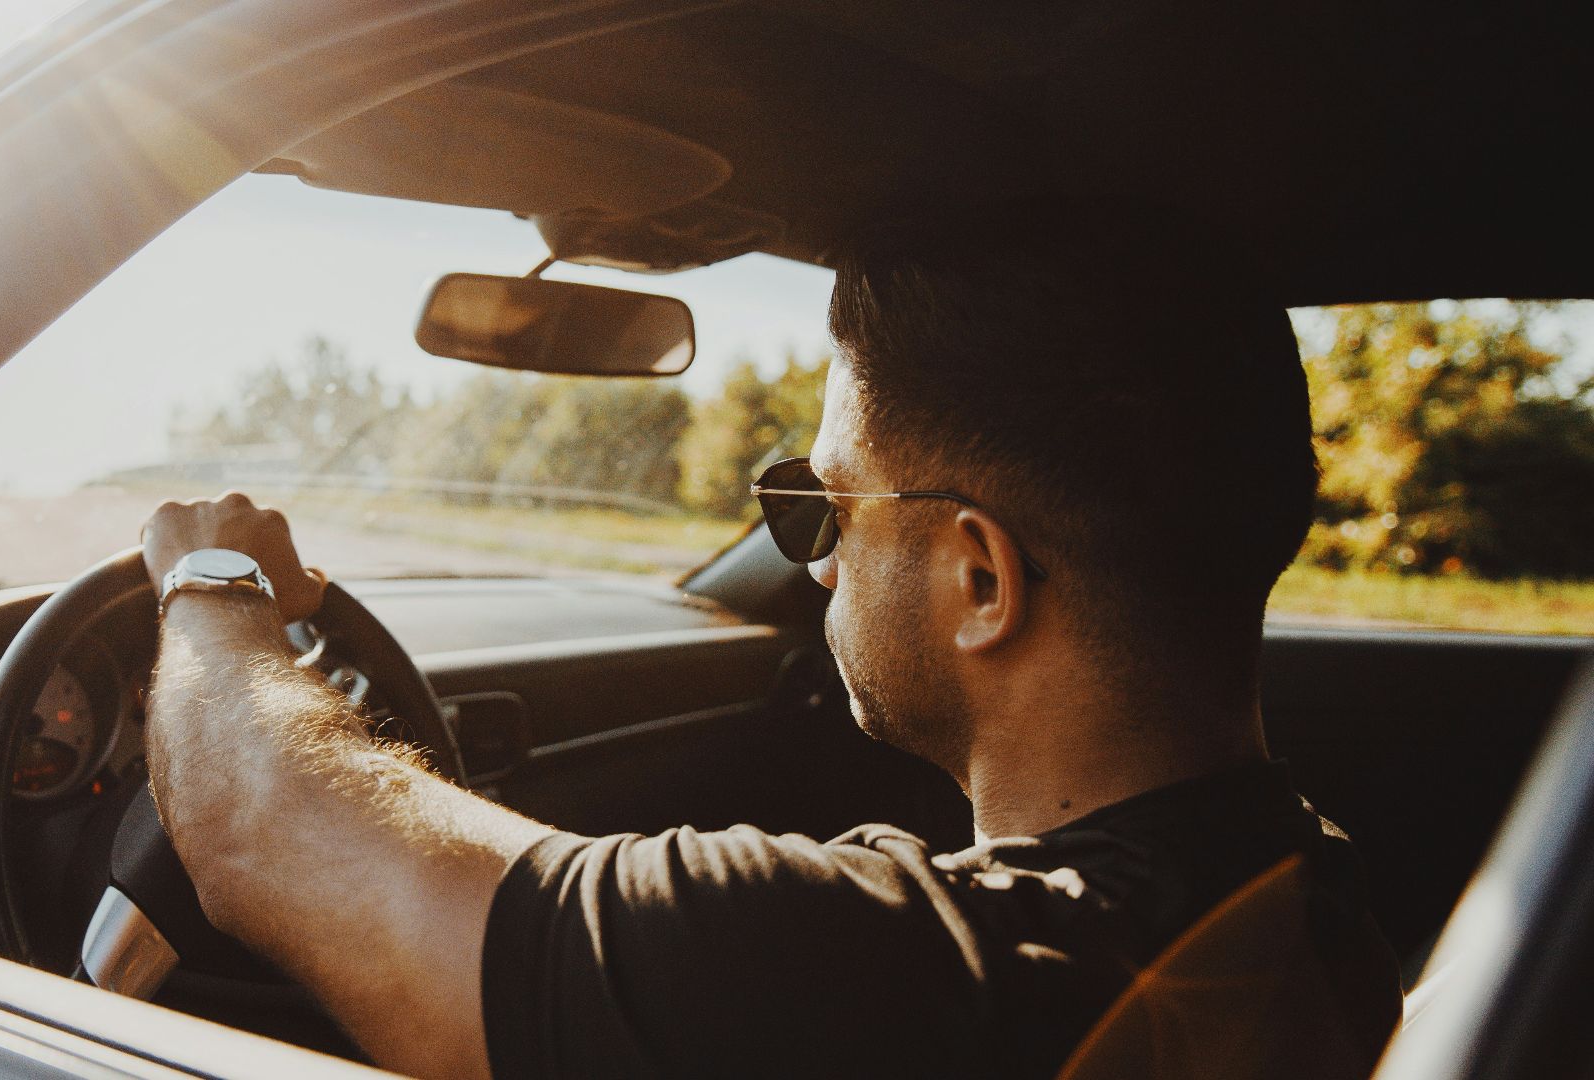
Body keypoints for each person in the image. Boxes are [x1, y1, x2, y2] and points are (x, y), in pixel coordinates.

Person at [137, 209, 1403, 1079]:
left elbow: (260, 828)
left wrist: (214, 581)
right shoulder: (1319, 901)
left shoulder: (872, 968)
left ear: (978, 578)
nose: (820, 556)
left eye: (822, 504)